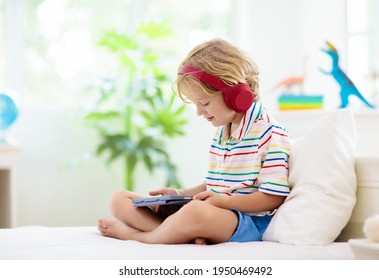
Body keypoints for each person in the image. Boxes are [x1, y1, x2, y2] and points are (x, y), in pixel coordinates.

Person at [98, 38, 290, 245]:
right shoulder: (223, 131)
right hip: (213, 211)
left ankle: (139, 236)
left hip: (246, 221)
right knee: (120, 200)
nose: (199, 112)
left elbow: (274, 197)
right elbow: (215, 185)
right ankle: (180, 232)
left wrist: (226, 203)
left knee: (196, 212)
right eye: (196, 105)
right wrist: (180, 194)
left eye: (205, 103)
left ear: (236, 94)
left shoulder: (269, 132)